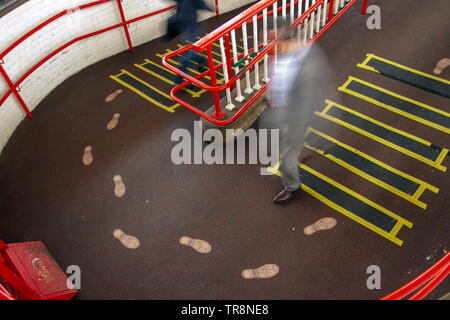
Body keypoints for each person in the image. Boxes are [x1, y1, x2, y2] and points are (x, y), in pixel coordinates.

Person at [260, 18, 333, 205]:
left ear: (286, 41)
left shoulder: (304, 63)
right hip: (283, 111)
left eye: (271, 41)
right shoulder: (281, 55)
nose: (267, 46)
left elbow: (310, 98)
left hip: (293, 118)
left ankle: (292, 186)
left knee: (286, 157)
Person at [168, 0, 213, 84]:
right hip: (191, 26)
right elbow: (200, 4)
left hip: (181, 25)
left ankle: (201, 60)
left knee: (189, 50)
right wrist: (210, 8)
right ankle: (179, 80)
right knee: (188, 54)